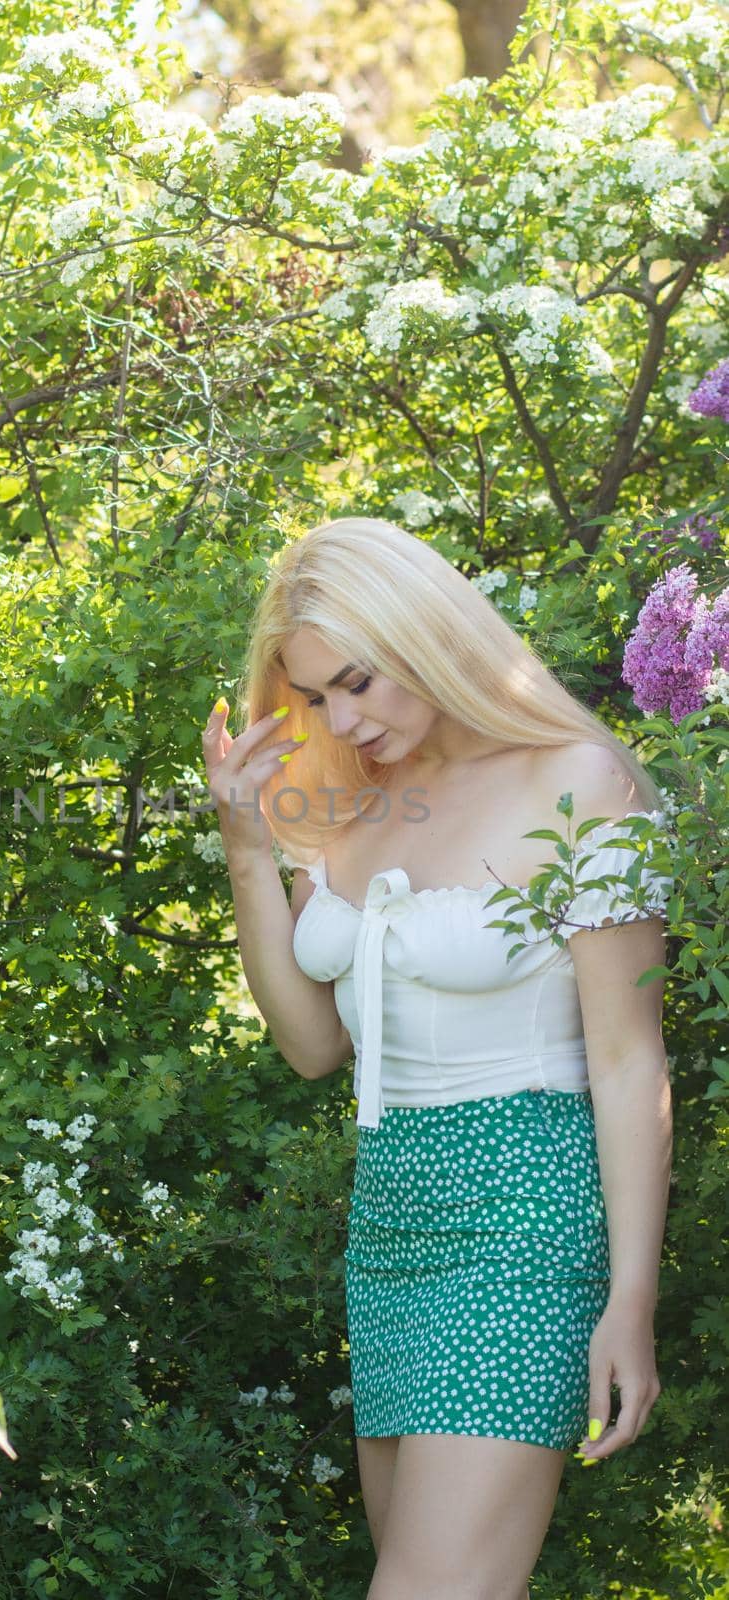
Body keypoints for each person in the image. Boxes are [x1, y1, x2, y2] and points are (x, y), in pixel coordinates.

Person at [200, 517, 673, 1600]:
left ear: (423, 633)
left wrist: (629, 1296)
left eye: (357, 682)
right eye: (314, 697)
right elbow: (314, 1046)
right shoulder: (354, 802)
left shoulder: (580, 781)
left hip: (524, 1212)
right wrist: (245, 853)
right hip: (390, 1219)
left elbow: (624, 1055)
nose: (341, 718)